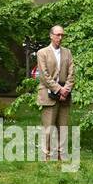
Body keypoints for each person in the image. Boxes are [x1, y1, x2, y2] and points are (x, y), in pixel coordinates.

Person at [36, 25, 75, 162]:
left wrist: (66, 90)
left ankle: (61, 154)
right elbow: (44, 76)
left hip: (65, 95)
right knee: (48, 127)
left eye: (62, 35)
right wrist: (59, 89)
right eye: (58, 34)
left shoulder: (67, 52)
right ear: (51, 36)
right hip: (48, 94)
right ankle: (45, 155)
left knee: (63, 126)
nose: (60, 37)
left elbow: (71, 73)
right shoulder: (42, 53)